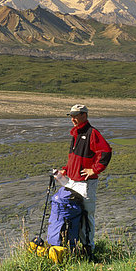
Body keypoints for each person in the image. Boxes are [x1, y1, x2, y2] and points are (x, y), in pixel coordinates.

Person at [57, 104, 112, 252]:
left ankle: (88, 250)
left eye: (76, 115)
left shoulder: (91, 133)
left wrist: (94, 170)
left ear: (84, 115)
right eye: (71, 116)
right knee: (73, 215)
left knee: (86, 218)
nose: (73, 119)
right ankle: (73, 247)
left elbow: (105, 152)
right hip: (72, 181)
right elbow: (73, 159)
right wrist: (66, 170)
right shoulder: (75, 134)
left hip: (86, 184)